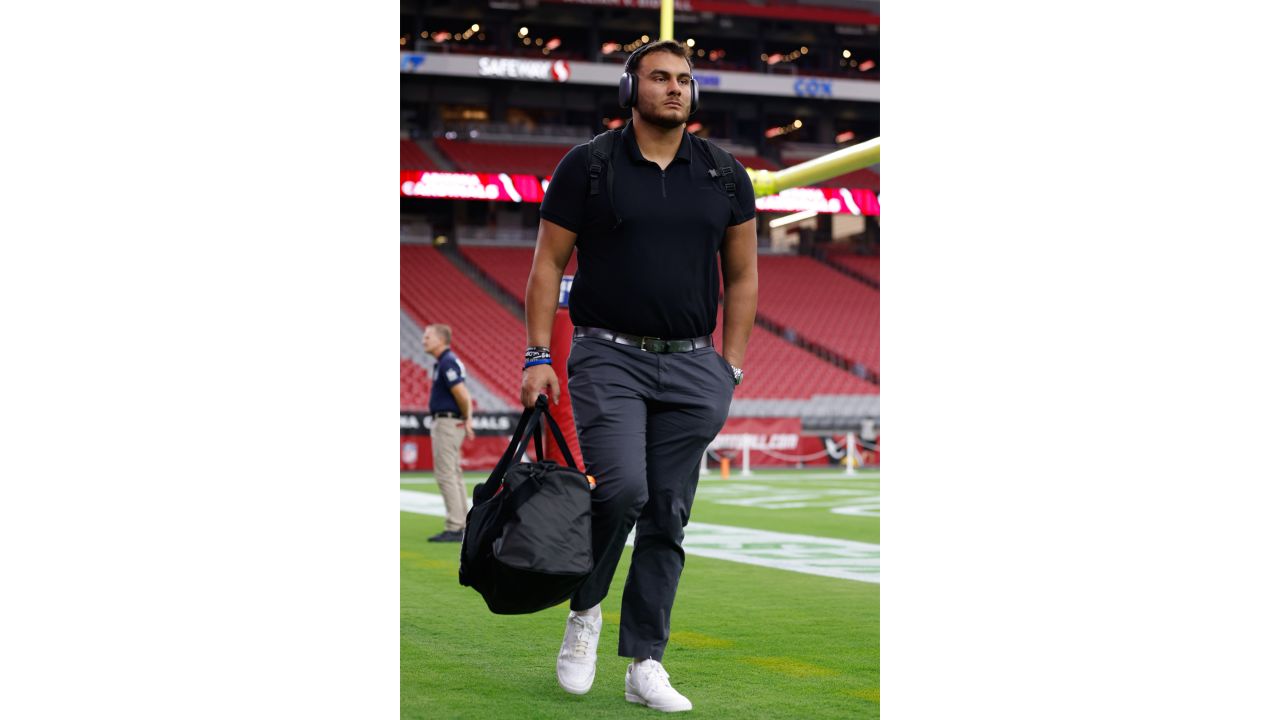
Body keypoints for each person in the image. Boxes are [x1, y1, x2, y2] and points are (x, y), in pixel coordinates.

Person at [521, 40, 758, 713]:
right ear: (631, 88)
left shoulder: (724, 174)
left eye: (684, 79)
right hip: (608, 355)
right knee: (623, 490)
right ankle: (586, 611)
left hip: (694, 365)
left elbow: (742, 275)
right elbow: (546, 267)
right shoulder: (588, 165)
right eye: (659, 77)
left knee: (668, 515)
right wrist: (538, 356)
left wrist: (729, 366)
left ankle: (644, 663)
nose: (675, 89)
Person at [422, 323, 475, 542]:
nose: (423, 340)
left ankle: (455, 526)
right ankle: (463, 523)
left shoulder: (446, 362)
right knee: (453, 474)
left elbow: (462, 394)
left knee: (446, 474)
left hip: (447, 422)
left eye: (427, 336)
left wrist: (466, 418)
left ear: (441, 340)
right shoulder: (445, 362)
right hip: (451, 422)